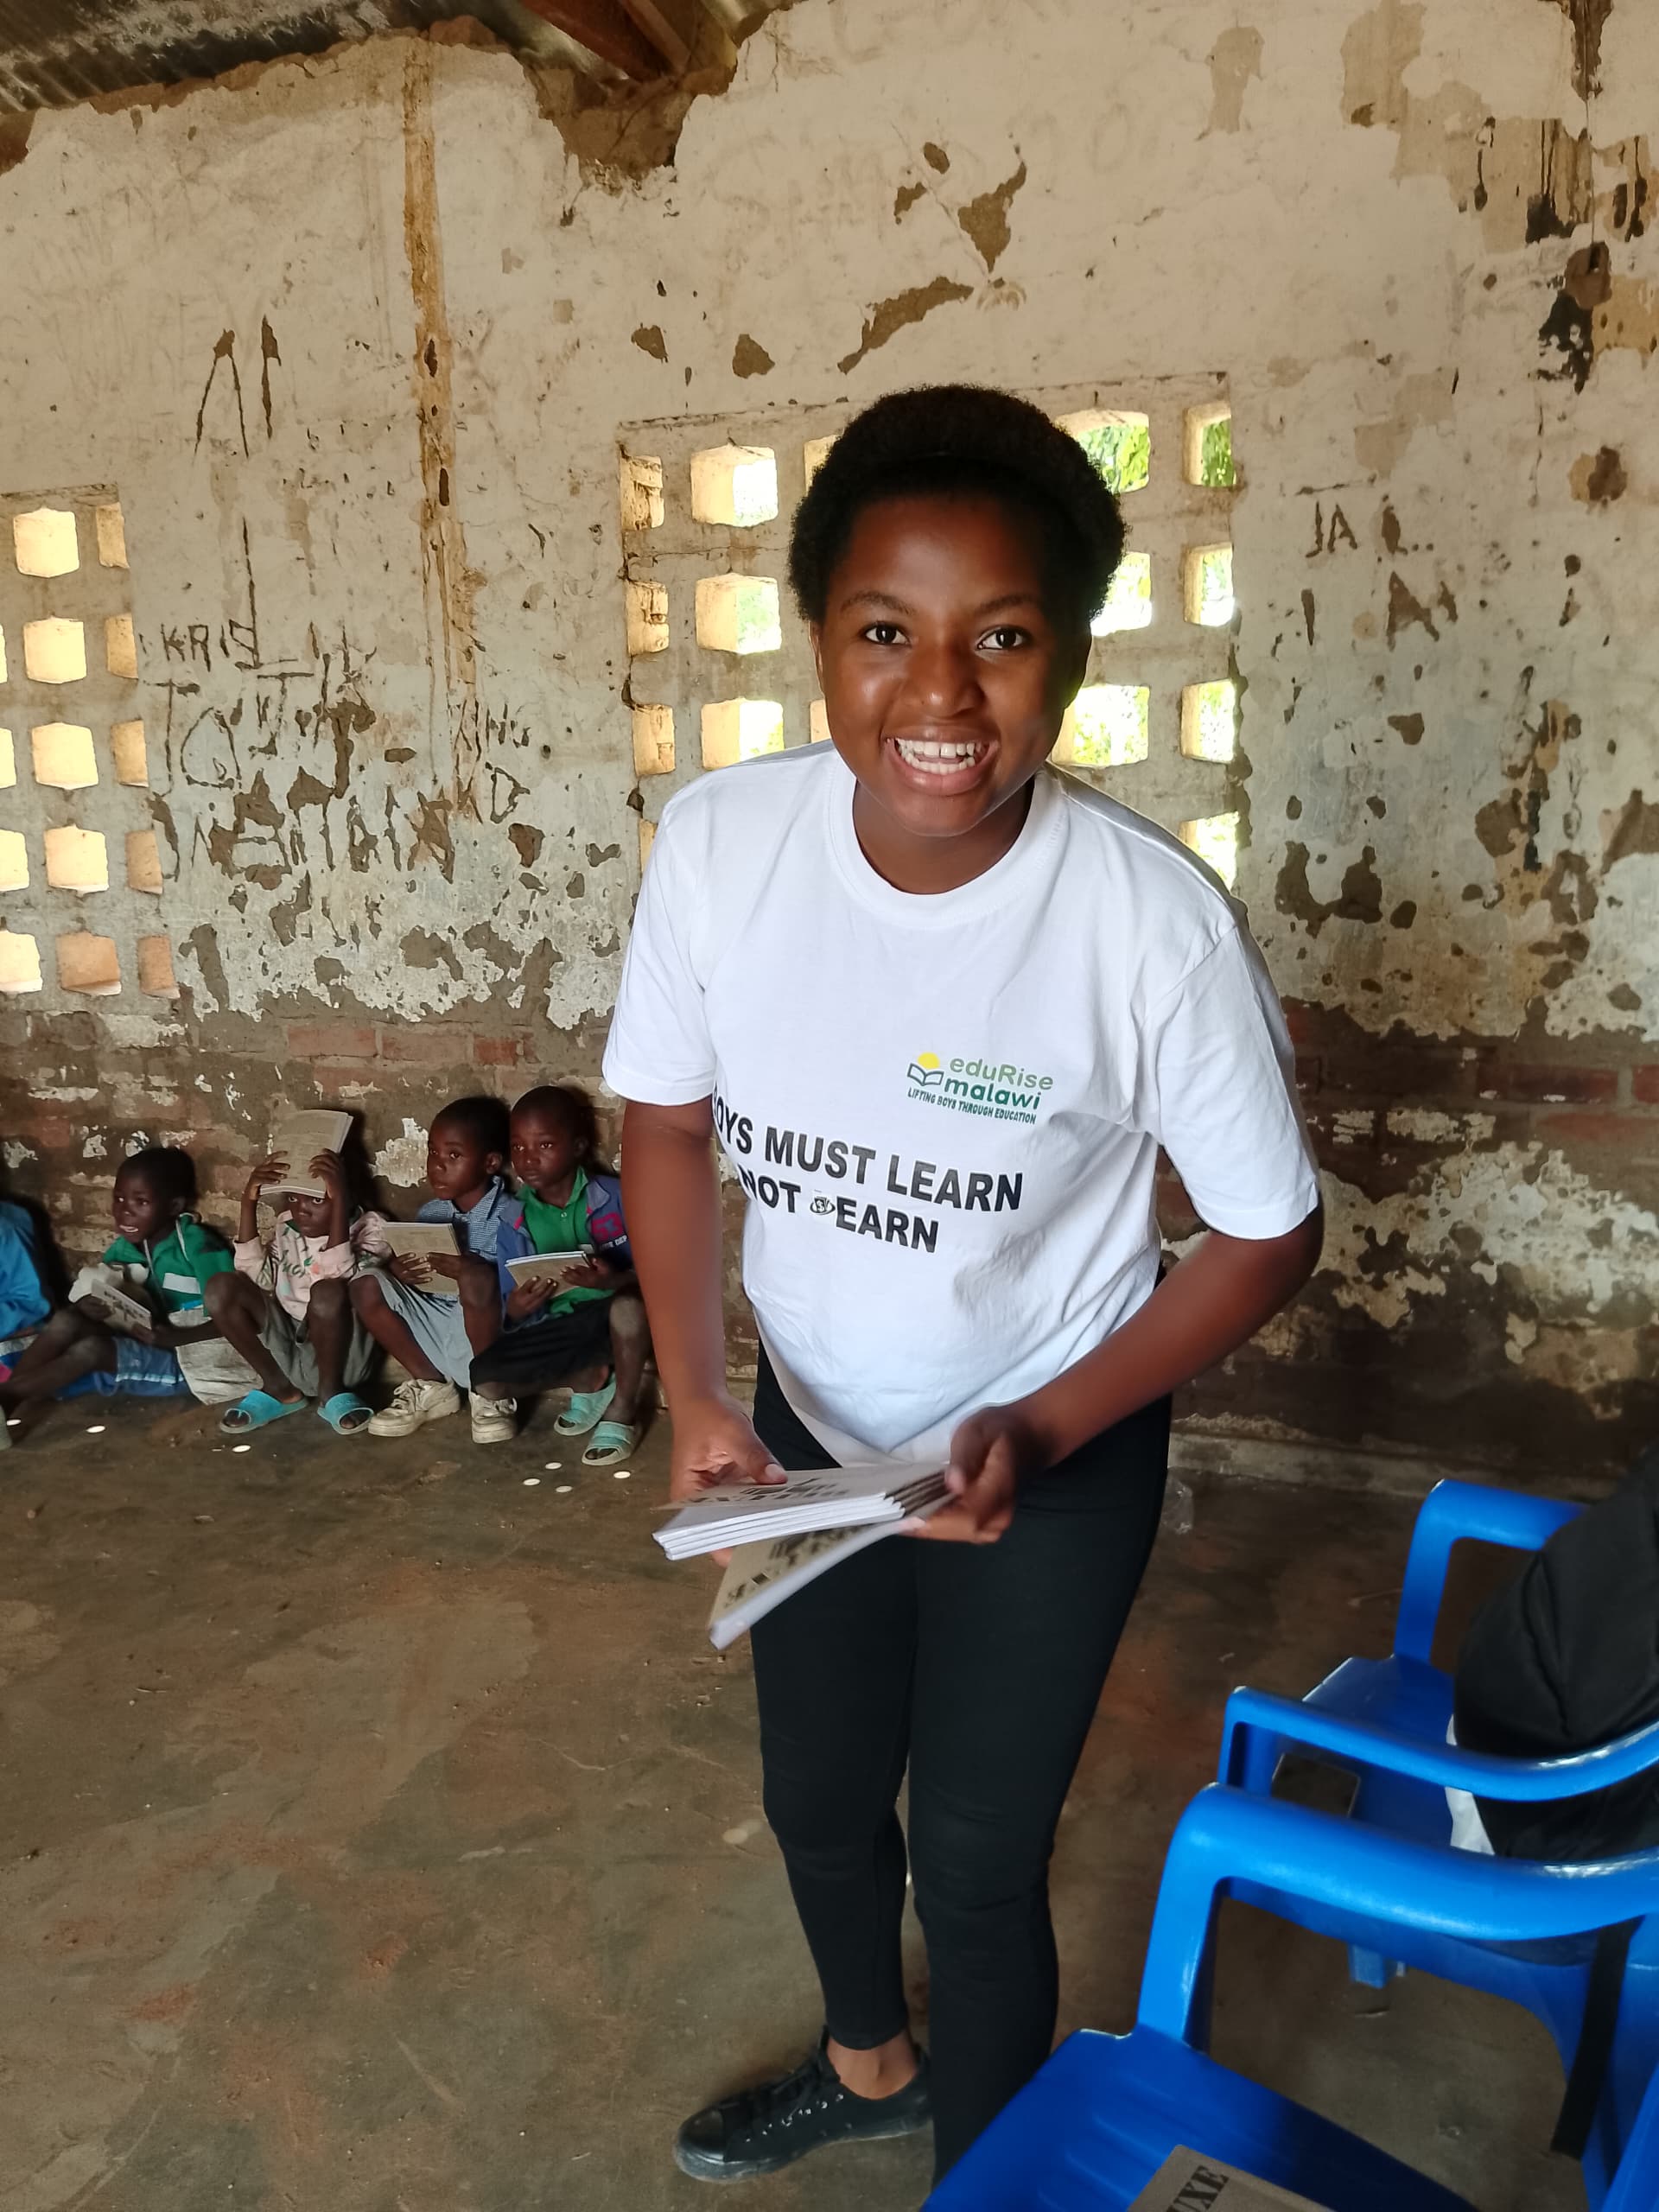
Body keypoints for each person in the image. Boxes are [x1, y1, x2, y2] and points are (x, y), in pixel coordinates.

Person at [602, 385, 1325, 2184]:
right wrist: (701, 1385)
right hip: (812, 1442)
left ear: (1068, 654)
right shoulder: (722, 850)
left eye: (1000, 637)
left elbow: (1266, 1230)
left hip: (1048, 1456)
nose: (940, 695)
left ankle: (985, 2174)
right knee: (824, 1802)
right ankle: (870, 2068)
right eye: (884, 632)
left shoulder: (1147, 924)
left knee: (986, 1858)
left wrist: (1051, 1416)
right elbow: (670, 1125)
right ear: (821, 642)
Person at [468, 1084, 650, 1461]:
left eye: (544, 1145)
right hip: (563, 1326)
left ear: (579, 1147)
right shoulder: (513, 1219)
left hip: (618, 1319)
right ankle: (587, 1378)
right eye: (518, 1147)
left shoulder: (619, 1197)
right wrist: (518, 1308)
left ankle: (623, 1409)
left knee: (628, 1308)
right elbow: (511, 1305)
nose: (528, 1158)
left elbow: (663, 1272)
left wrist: (611, 1280)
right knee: (485, 1378)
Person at [0, 1147, 243, 1407]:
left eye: (141, 1202)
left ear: (174, 1206)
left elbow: (239, 1319)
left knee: (91, 1350)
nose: (125, 1211)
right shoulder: (123, 1249)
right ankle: (9, 1399)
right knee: (66, 1320)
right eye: (119, 1199)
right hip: (147, 1341)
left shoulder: (198, 1248)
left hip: (192, 1360)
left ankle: (8, 1398)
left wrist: (176, 1338)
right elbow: (113, 1304)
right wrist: (88, 1307)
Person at [349, 1096, 513, 1441]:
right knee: (366, 1282)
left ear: (490, 1162)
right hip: (434, 1328)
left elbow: (516, 1286)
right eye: (433, 1152)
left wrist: (473, 1270)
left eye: (454, 1155)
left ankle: (489, 1396)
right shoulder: (430, 1214)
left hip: (486, 1341)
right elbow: (409, 1279)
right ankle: (431, 1384)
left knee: (477, 1276)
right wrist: (397, 1270)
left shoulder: (511, 1215)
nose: (437, 1165)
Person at [207, 1144, 383, 1436]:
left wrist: (338, 1204)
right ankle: (279, 1388)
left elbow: (339, 1278)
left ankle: (331, 1395)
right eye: (292, 1197)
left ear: (346, 1194)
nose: (301, 1210)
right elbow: (256, 1278)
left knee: (327, 1293)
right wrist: (248, 1202)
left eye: (316, 1198)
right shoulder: (287, 1226)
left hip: (341, 1354)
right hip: (287, 1344)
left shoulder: (372, 1228)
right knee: (220, 1288)